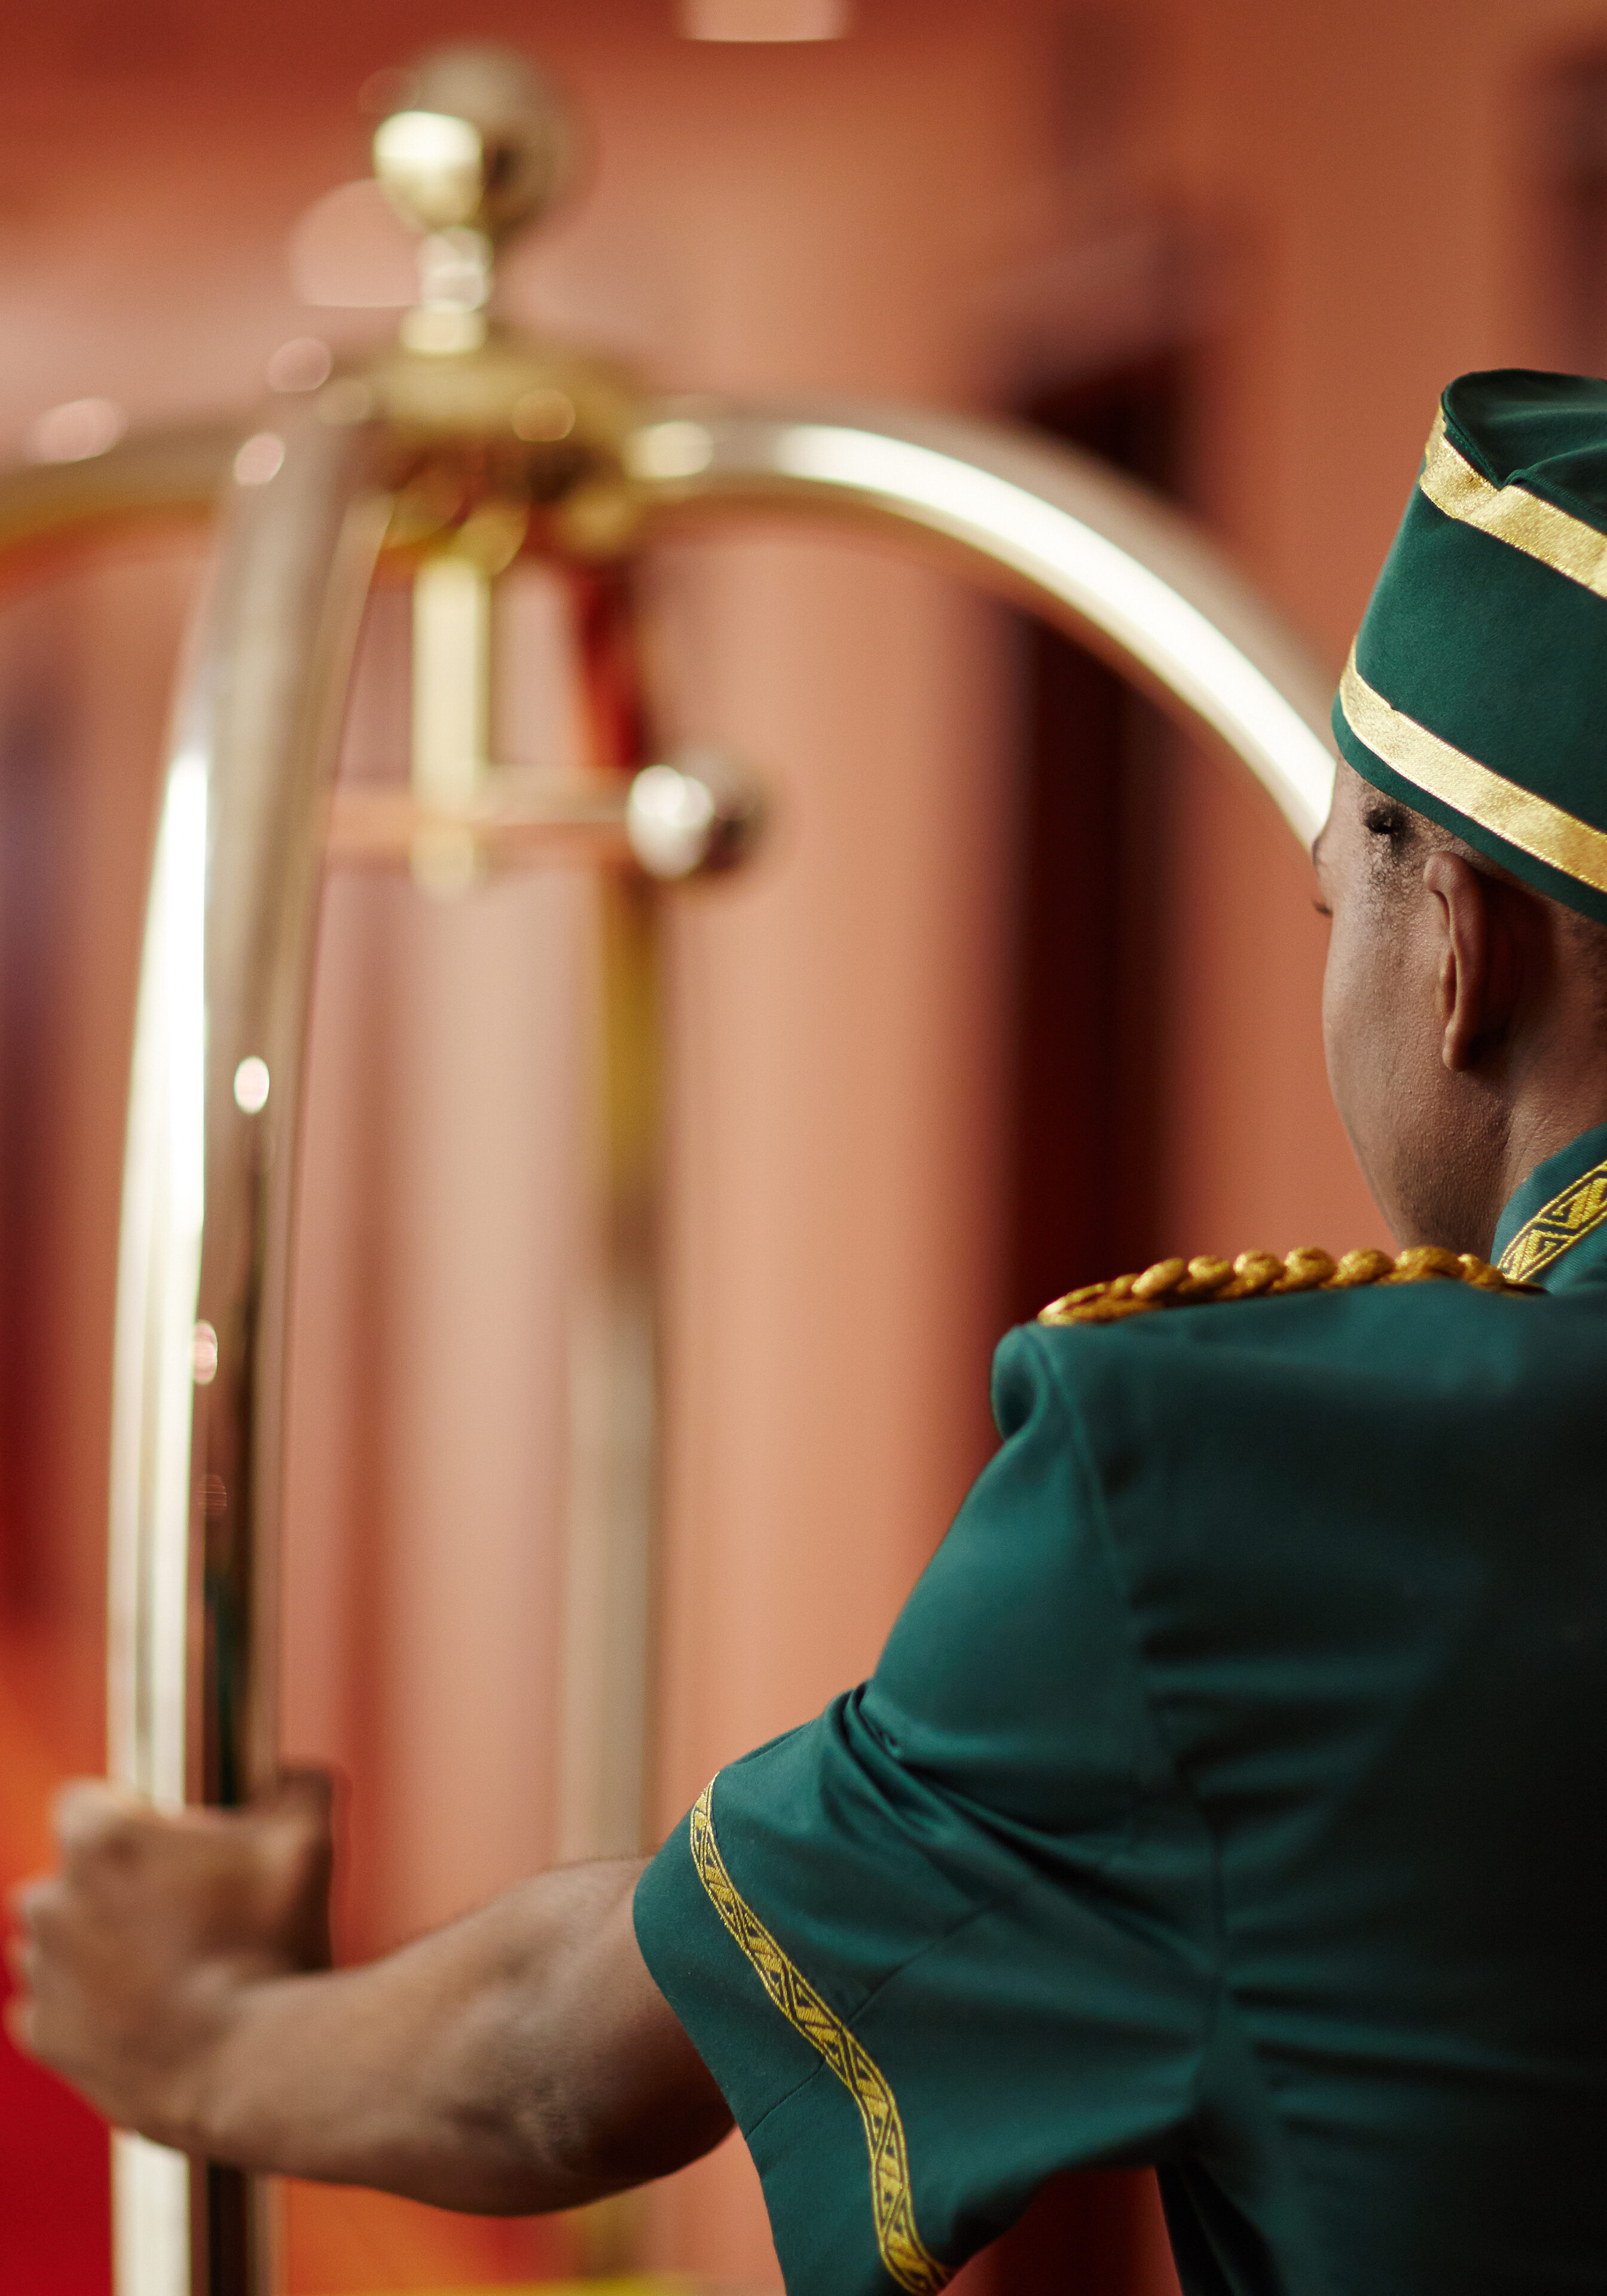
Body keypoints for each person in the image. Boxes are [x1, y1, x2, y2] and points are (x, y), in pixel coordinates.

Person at [13, 368, 1607, 2296]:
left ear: (1460, 948)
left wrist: (185, 2033)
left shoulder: (1279, 1495)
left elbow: (564, 2069)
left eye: (1333, 897)